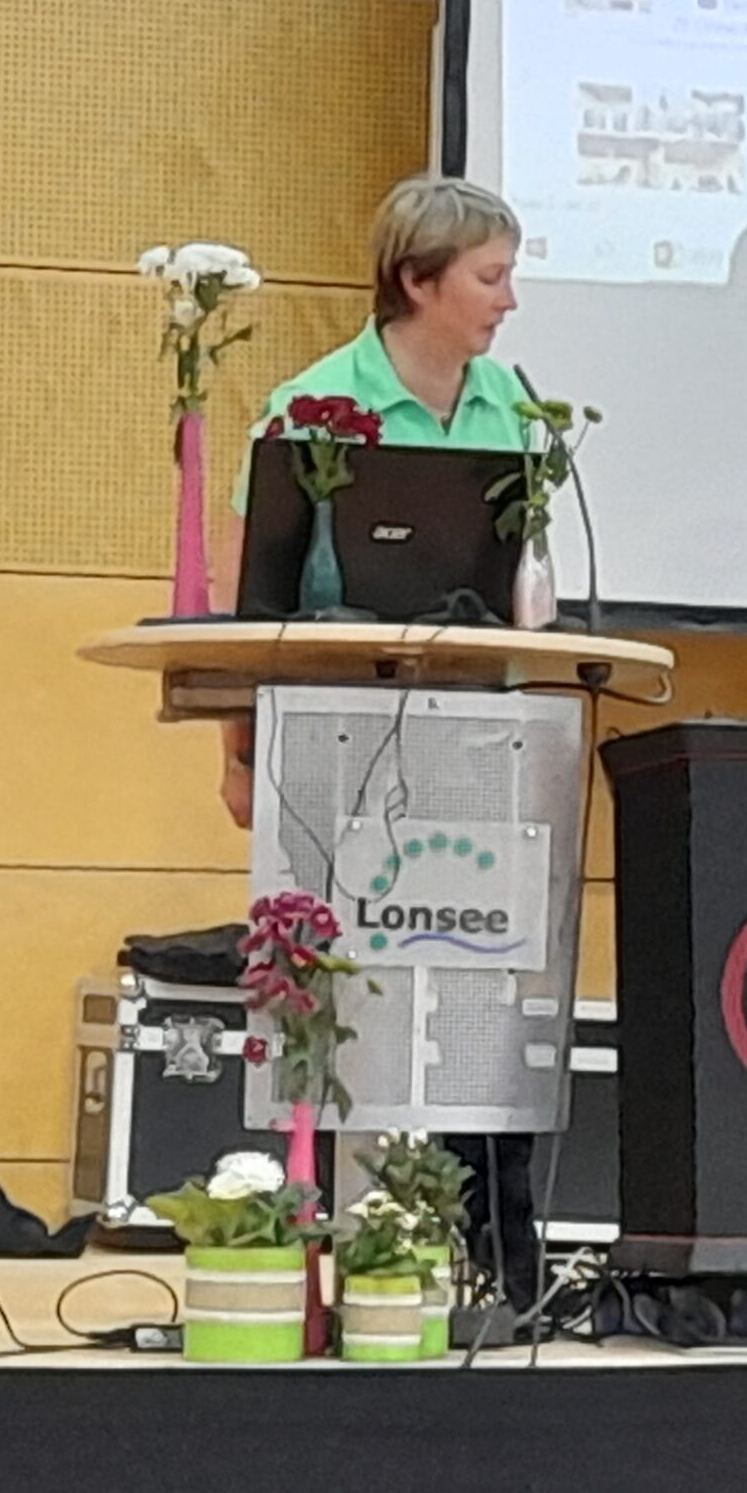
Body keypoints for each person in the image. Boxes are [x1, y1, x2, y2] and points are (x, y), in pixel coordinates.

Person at [215, 173, 540, 1307]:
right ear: (417, 279)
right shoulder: (309, 408)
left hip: (474, 744)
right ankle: (341, 1244)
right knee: (342, 988)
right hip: (335, 744)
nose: (508, 301)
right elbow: (254, 602)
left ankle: (480, 1253)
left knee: (469, 985)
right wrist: (238, 752)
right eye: (491, 277)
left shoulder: (515, 408)